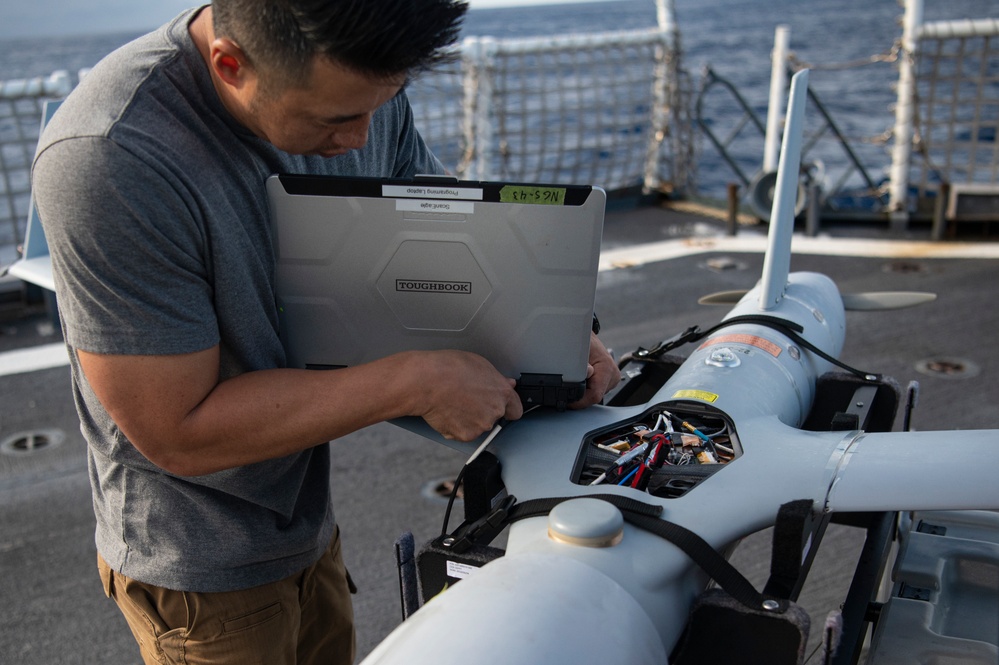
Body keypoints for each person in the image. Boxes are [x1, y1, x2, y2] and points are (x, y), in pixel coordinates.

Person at [31, 1, 621, 663]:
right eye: (335, 119)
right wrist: (415, 382)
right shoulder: (111, 158)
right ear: (231, 65)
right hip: (200, 561)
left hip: (306, 514)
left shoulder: (353, 88)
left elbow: (427, 227)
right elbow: (178, 431)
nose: (362, 139)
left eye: (386, 101)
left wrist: (549, 330)